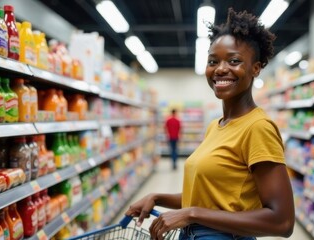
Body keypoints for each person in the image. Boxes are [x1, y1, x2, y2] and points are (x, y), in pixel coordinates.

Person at [126, 8, 295, 240]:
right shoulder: (217, 126)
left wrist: (193, 214)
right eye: (213, 61)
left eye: (234, 61)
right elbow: (210, 197)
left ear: (255, 68)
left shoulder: (258, 127)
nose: (221, 68)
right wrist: (157, 197)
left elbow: (282, 221)